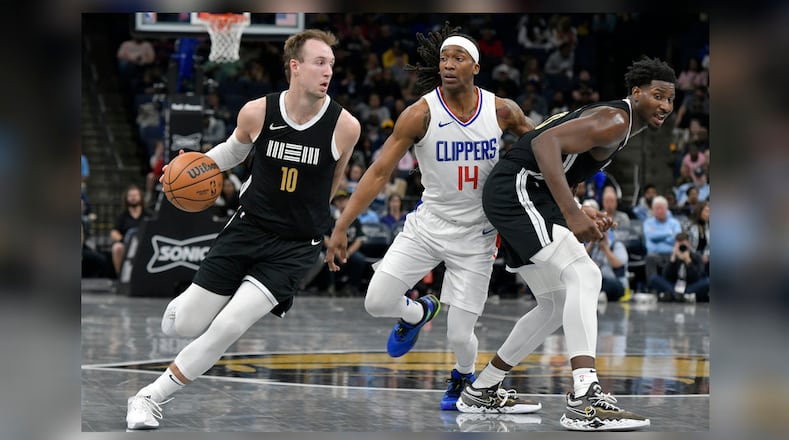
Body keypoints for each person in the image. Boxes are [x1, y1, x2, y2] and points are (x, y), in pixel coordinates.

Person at [125, 29, 361, 430]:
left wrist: (326, 227)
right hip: (247, 228)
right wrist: (190, 167)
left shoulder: (345, 126)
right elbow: (232, 152)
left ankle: (148, 396)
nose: (328, 71)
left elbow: (333, 184)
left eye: (332, 64)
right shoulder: (257, 111)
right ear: (295, 66)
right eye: (320, 62)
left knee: (228, 327)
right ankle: (187, 302)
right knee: (186, 325)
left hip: (294, 246)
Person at [456, 56, 677, 431]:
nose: (665, 107)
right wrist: (572, 213)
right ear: (636, 93)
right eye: (658, 96)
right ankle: (584, 399)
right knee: (586, 276)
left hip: (527, 193)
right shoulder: (617, 119)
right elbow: (545, 144)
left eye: (671, 100)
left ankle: (482, 390)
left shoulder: (618, 124)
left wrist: (582, 210)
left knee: (556, 304)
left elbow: (565, 161)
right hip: (519, 188)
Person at [324, 23, 536, 412]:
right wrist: (341, 224)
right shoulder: (419, 114)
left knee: (460, 334)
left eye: (458, 58)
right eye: (443, 58)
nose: (448, 64)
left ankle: (463, 376)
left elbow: (542, 146)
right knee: (376, 301)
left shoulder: (502, 110)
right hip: (429, 225)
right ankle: (418, 311)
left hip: (478, 234)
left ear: (476, 66)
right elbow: (377, 173)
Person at [647, 232, 709, 302]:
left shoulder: (696, 257)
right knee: (654, 278)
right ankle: (682, 296)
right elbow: (665, 276)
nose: (681, 247)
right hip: (674, 285)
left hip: (690, 285)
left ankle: (676, 295)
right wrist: (672, 259)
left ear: (688, 244)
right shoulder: (672, 256)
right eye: (679, 244)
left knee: (707, 282)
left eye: (683, 244)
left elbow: (698, 277)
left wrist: (688, 261)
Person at [110, 184, 151, 277]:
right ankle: (120, 276)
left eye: (135, 195)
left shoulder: (149, 215)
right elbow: (114, 232)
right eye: (130, 196)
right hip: (127, 245)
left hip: (144, 244)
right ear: (126, 198)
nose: (133, 198)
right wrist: (122, 239)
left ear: (140, 197)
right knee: (117, 247)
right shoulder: (122, 215)